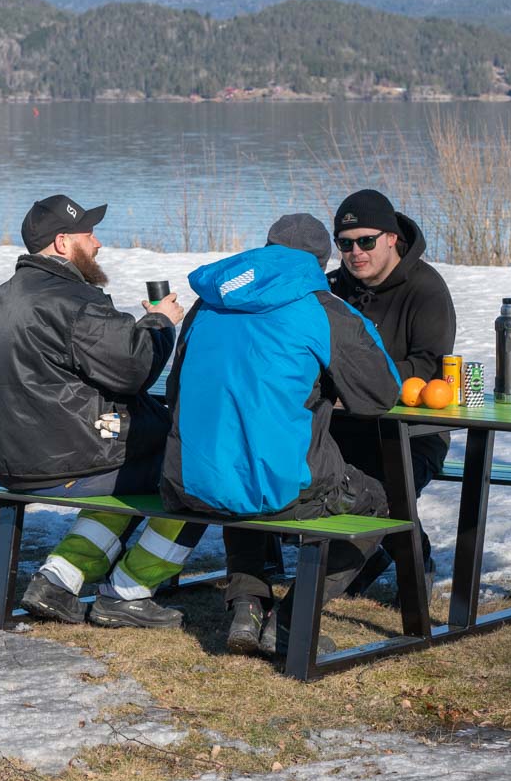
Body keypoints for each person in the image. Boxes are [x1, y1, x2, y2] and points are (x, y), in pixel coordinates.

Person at [159, 214, 403, 655]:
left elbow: (174, 389)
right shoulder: (322, 308)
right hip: (285, 489)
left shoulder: (207, 304)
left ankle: (247, 607)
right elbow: (381, 393)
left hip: (192, 482)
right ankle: (292, 621)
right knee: (376, 503)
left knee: (244, 481)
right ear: (317, 260)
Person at [0, 193, 204, 629]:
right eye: (89, 235)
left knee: (137, 462)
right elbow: (134, 369)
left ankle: (59, 578)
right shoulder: (74, 300)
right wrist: (159, 322)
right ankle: (130, 591)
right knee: (196, 472)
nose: (97, 244)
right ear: (62, 244)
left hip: (11, 460)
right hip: (67, 458)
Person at [325, 188, 457, 594]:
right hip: (340, 429)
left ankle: (414, 563)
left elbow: (428, 367)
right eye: (344, 244)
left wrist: (356, 384)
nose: (355, 253)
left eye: (366, 241)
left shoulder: (427, 291)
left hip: (411, 433)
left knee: (383, 491)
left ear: (392, 239)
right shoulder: (330, 288)